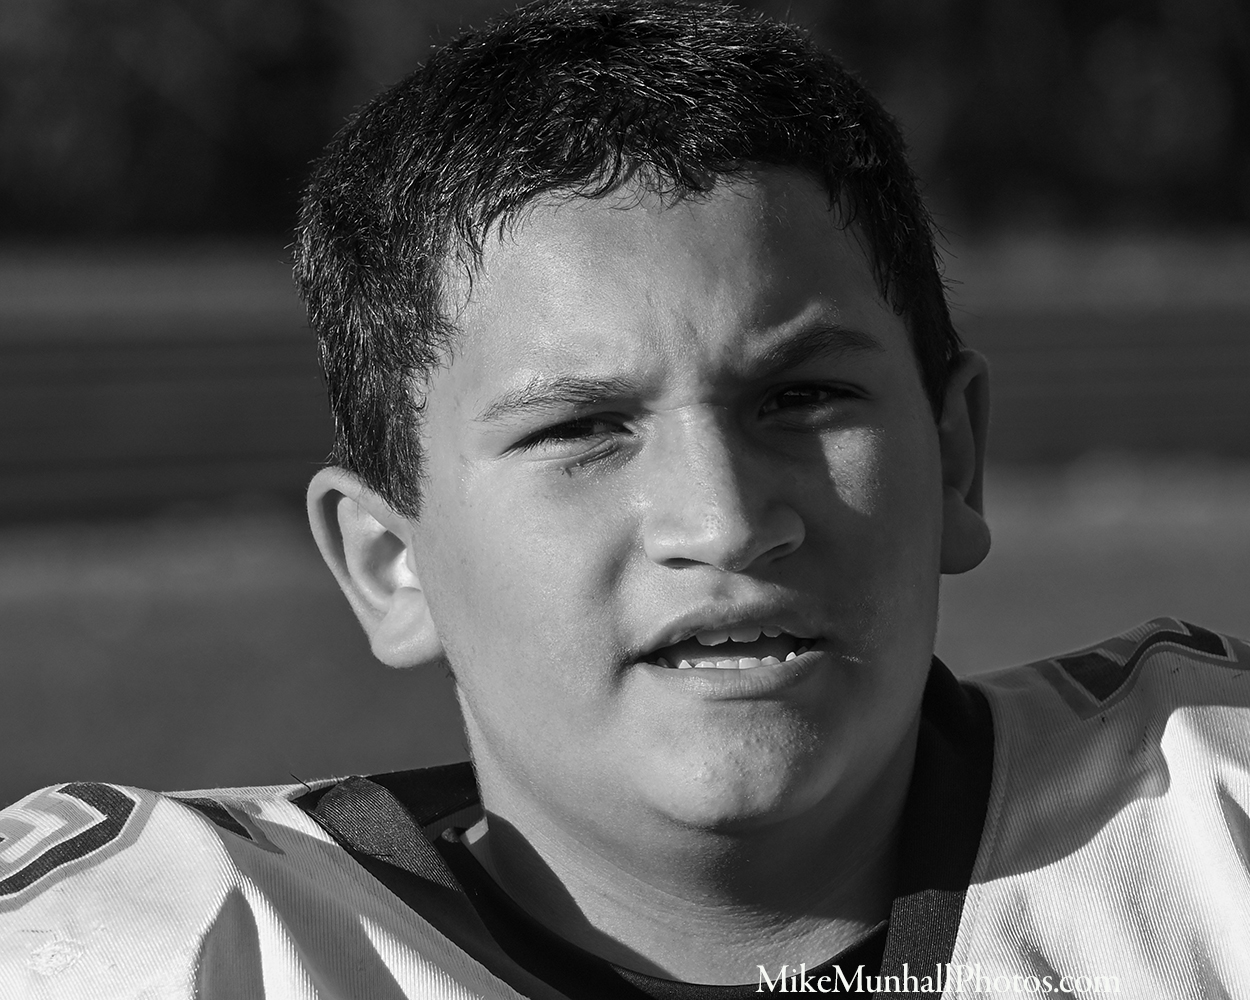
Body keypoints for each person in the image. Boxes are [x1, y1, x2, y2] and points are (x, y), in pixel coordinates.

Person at [2, 1, 1248, 996]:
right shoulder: (148, 952)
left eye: (803, 397)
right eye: (580, 429)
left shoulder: (1210, 834)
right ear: (387, 561)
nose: (724, 521)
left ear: (953, 456)